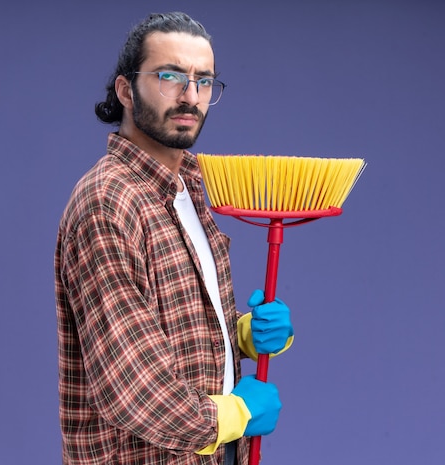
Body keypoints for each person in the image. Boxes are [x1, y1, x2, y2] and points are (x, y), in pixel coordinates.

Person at [54, 11, 294, 465]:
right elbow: (134, 386)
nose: (191, 97)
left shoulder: (196, 183)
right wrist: (238, 413)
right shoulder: (107, 203)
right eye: (170, 77)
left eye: (204, 81)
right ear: (126, 90)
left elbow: (174, 328)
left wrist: (241, 335)